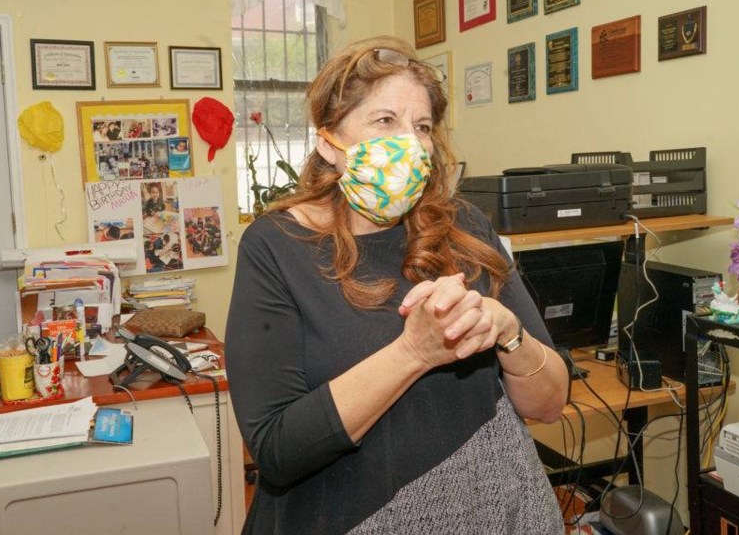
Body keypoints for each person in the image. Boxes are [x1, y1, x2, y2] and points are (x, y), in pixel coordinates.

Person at [225, 35, 568, 534]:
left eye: (421, 126)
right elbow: (276, 450)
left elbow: (550, 404)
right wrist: (415, 352)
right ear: (329, 142)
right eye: (385, 121)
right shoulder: (275, 247)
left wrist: (508, 330)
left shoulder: (466, 229)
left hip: (495, 513)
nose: (408, 141)